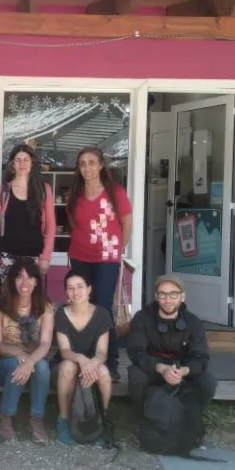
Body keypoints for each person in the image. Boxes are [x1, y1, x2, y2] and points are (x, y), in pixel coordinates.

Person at [66, 146, 132, 381]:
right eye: (82, 164)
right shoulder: (75, 193)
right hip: (80, 256)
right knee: (81, 306)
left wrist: (117, 249)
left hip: (106, 259)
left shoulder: (116, 192)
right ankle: (82, 358)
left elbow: (127, 224)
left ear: (101, 165)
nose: (87, 168)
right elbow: (73, 223)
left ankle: (110, 362)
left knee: (102, 308)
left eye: (92, 163)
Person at [126, 275, 218, 418]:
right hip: (154, 368)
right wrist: (161, 368)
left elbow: (201, 357)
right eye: (162, 294)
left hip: (181, 370)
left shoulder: (193, 322)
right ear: (156, 297)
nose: (167, 300)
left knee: (208, 381)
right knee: (136, 376)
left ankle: (190, 417)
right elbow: (136, 351)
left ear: (182, 297)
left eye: (173, 294)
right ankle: (144, 417)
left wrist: (184, 371)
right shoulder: (142, 318)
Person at [0, 259, 54, 443]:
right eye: (19, 277)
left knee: (43, 368)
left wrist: (30, 361)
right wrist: (20, 355)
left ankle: (36, 419)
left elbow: (45, 343)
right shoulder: (0, 306)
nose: (25, 283)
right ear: (12, 280)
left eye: (30, 277)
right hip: (4, 360)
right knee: (16, 364)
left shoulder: (45, 307)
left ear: (36, 281)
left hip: (34, 359)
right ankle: (6, 416)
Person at [53, 270, 113, 446]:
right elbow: (65, 351)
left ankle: (102, 419)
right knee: (68, 367)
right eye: (70, 288)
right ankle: (63, 420)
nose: (75, 292)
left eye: (80, 286)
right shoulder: (61, 314)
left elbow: (102, 352)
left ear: (89, 289)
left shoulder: (102, 314)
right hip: (65, 366)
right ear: (66, 292)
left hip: (92, 366)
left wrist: (92, 363)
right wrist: (82, 359)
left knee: (103, 372)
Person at [0, 144, 55, 292]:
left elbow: (51, 227)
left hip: (34, 256)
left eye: (26, 160)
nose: (22, 164)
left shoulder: (44, 190)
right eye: (18, 160)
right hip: (6, 255)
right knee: (6, 299)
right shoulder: (3, 191)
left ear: (32, 163)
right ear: (12, 164)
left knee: (30, 299)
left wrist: (45, 257)